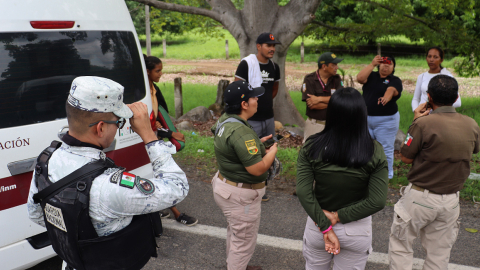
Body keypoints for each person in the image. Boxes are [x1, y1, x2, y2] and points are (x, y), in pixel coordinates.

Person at [27, 76, 189, 270]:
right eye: (118, 122)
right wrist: (149, 136)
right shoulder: (109, 186)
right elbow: (177, 187)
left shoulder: (45, 160)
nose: (119, 127)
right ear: (101, 128)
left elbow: (36, 214)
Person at [388, 75, 480, 270]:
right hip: (451, 200)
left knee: (401, 245)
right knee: (439, 255)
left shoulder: (422, 124)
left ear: (428, 97)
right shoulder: (471, 124)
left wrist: (415, 121)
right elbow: (474, 150)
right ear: (456, 98)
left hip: (421, 196)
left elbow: (406, 157)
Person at [296, 87, 389, 270]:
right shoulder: (375, 149)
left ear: (331, 113)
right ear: (362, 113)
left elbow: (303, 191)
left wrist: (325, 225)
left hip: (318, 222)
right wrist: (338, 217)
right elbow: (377, 201)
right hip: (356, 228)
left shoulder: (312, 145)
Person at [211, 80, 278, 270]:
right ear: (244, 104)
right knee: (243, 242)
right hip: (240, 196)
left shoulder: (225, 119)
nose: (257, 99)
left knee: (236, 233)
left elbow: (233, 144)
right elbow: (257, 169)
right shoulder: (241, 132)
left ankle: (236, 265)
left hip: (226, 186)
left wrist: (255, 143)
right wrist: (272, 151)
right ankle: (237, 265)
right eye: (254, 97)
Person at [144, 54, 198, 226]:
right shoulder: (142, 93)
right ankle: (176, 213)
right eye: (157, 71)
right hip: (148, 139)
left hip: (155, 137)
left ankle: (159, 208)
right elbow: (147, 122)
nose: (161, 74)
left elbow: (161, 115)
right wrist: (171, 134)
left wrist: (166, 130)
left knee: (156, 173)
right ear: (147, 71)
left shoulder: (154, 90)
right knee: (162, 174)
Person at [234, 32, 281, 202]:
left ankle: (262, 186)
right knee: (250, 152)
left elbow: (273, 90)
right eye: (268, 45)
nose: (272, 49)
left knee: (267, 151)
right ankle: (247, 186)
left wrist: (265, 103)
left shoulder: (274, 67)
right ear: (258, 46)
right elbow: (237, 87)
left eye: (274, 46)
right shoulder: (247, 64)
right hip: (251, 119)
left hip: (268, 117)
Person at [356, 55, 403, 179]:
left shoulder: (395, 80)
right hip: (366, 119)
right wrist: (372, 64)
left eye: (390, 63)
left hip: (386, 121)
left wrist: (386, 97)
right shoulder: (371, 76)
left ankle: (386, 175)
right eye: (383, 62)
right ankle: (366, 173)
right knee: (365, 147)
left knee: (385, 148)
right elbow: (360, 78)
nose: (386, 65)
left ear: (393, 67)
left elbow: (392, 90)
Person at [301, 52, 344, 143]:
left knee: (333, 155)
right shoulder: (309, 79)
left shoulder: (336, 79)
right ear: (324, 66)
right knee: (311, 154)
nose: (337, 67)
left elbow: (341, 99)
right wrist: (334, 103)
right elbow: (312, 106)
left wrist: (318, 99)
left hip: (334, 125)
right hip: (315, 125)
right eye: (334, 65)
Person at [411, 46, 461, 111]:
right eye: (429, 56)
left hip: (441, 116)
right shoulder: (422, 76)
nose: (431, 60)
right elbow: (416, 99)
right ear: (426, 58)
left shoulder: (447, 77)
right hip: (423, 116)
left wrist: (435, 107)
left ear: (441, 60)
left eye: (435, 57)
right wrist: (416, 111)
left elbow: (458, 103)